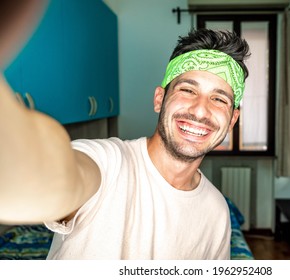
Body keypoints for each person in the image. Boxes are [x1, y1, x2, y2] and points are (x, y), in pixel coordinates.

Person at [0, 3, 250, 259]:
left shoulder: (217, 213)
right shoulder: (107, 163)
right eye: (187, 90)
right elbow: (49, 179)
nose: (200, 111)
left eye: (219, 99)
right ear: (159, 99)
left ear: (232, 120)